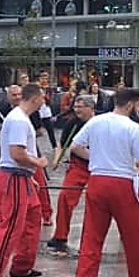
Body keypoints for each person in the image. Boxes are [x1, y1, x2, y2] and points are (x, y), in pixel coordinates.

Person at [68, 88, 139, 277]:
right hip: (123, 183)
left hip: (97, 180)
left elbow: (75, 146)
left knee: (91, 238)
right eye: (138, 105)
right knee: (134, 240)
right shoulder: (133, 128)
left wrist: (96, 158)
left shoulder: (96, 121)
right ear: (130, 105)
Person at [0, 83, 49, 277]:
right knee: (10, 228)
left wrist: (30, 176)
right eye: (42, 97)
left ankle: (22, 265)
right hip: (14, 177)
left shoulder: (21, 118)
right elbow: (17, 154)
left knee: (33, 217)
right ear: (35, 98)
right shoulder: (18, 119)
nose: (44, 101)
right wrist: (38, 164)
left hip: (22, 177)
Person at [46, 95, 96, 256]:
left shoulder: (101, 123)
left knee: (98, 203)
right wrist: (56, 160)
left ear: (91, 108)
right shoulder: (72, 123)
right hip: (78, 165)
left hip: (98, 167)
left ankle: (92, 239)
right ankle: (60, 235)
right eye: (76, 106)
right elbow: (63, 144)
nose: (77, 109)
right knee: (65, 197)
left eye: (81, 106)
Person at [37, 71, 58, 151]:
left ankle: (54, 146)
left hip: (46, 110)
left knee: (50, 129)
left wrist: (45, 96)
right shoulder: (37, 87)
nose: (44, 80)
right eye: (43, 78)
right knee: (35, 129)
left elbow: (50, 100)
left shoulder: (49, 89)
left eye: (46, 78)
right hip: (37, 110)